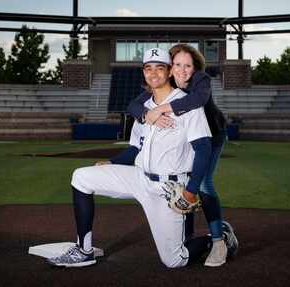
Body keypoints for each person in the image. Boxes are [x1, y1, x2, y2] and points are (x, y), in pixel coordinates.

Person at [47, 48, 232, 268]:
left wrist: (190, 191)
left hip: (169, 187)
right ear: (143, 72)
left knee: (174, 260)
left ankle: (219, 238)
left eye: (160, 68)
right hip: (139, 178)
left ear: (170, 71)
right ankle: (84, 250)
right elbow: (136, 148)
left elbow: (203, 150)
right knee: (81, 177)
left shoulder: (189, 104)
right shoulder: (142, 108)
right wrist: (113, 162)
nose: (153, 73)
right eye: (148, 68)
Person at [127, 43, 238, 267]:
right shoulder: (167, 82)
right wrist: (149, 114)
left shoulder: (200, 80)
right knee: (182, 182)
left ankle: (219, 240)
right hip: (184, 139)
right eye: (177, 64)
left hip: (211, 136)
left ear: (195, 66)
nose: (182, 70)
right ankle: (186, 238)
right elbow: (133, 105)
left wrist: (161, 109)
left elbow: (197, 100)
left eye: (188, 65)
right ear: (170, 66)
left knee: (203, 184)